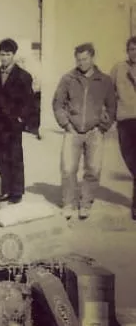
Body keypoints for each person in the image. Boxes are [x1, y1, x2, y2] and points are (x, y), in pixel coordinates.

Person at [52, 42, 116, 220]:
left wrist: (103, 126)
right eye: (79, 60)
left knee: (93, 169)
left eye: (85, 59)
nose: (82, 63)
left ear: (93, 58)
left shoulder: (105, 80)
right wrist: (65, 123)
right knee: (67, 169)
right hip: (72, 131)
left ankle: (86, 203)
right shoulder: (68, 79)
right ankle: (68, 204)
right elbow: (57, 103)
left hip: (95, 132)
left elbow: (112, 106)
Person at [0, 38, 33, 204]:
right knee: (0, 157)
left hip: (13, 124)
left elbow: (28, 102)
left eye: (7, 54)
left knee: (15, 157)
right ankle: (5, 190)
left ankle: (17, 192)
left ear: (14, 55)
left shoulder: (23, 76)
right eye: (2, 54)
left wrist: (20, 120)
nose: (4, 58)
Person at [110, 35, 136, 220]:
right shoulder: (118, 69)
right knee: (130, 161)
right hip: (125, 121)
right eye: (131, 49)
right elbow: (109, 93)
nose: (134, 52)